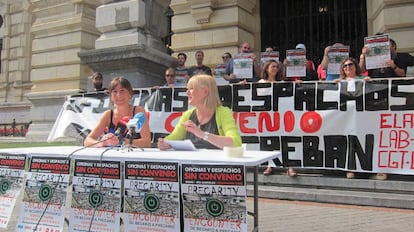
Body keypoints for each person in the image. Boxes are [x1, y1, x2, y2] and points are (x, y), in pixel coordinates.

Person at [157, 74, 242, 150]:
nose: (187, 93)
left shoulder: (223, 112)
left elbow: (236, 143)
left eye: (191, 89)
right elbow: (174, 137)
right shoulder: (188, 114)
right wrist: (164, 143)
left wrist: (202, 134)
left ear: (205, 92)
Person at [84, 77, 151, 148]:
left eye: (122, 91)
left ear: (130, 94)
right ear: (111, 96)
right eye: (115, 92)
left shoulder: (138, 111)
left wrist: (121, 141)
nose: (119, 95)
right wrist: (102, 143)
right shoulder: (108, 114)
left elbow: (146, 142)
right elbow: (88, 141)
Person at [258, 60, 297, 177]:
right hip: (267, 118)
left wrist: (298, 85)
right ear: (266, 68)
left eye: (276, 67)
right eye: (272, 66)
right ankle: (270, 165)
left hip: (281, 117)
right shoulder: (260, 82)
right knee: (272, 141)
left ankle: (290, 166)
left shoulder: (282, 83)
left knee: (285, 141)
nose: (275, 68)